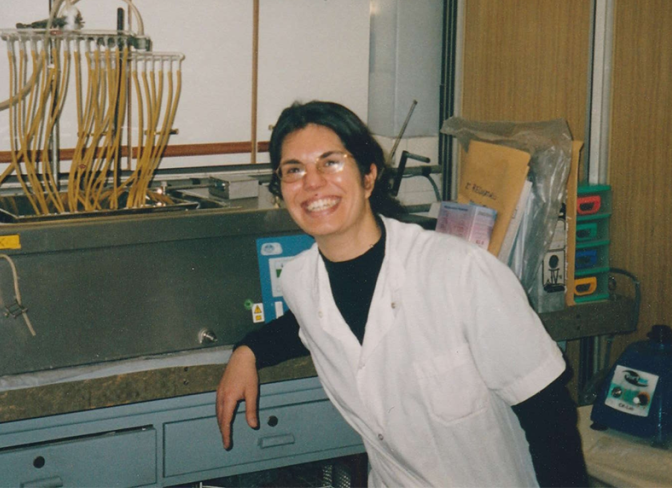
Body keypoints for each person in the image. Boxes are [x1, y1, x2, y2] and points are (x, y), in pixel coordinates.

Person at [215, 101, 588, 487]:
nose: (312, 183)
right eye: (294, 170)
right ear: (281, 191)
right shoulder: (299, 280)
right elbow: (310, 321)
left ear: (368, 175)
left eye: (330, 162)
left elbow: (550, 416)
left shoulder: (460, 272)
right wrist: (248, 350)